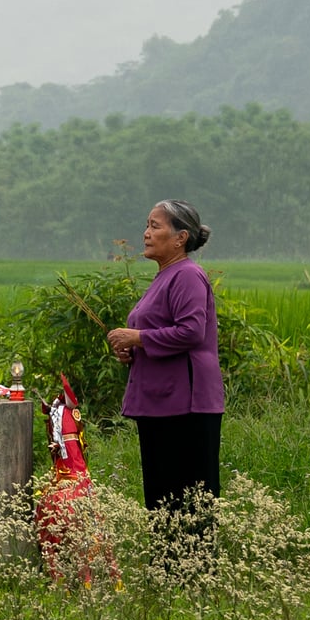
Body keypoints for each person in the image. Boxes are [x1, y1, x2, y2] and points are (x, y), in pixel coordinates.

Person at [106, 199, 225, 518]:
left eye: (155, 226)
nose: (146, 233)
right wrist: (131, 349)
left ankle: (192, 566)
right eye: (147, 225)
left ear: (180, 237)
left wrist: (139, 337)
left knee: (188, 497)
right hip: (160, 401)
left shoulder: (187, 274)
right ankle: (168, 566)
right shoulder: (164, 276)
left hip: (186, 404)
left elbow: (190, 332)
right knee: (162, 498)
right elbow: (158, 333)